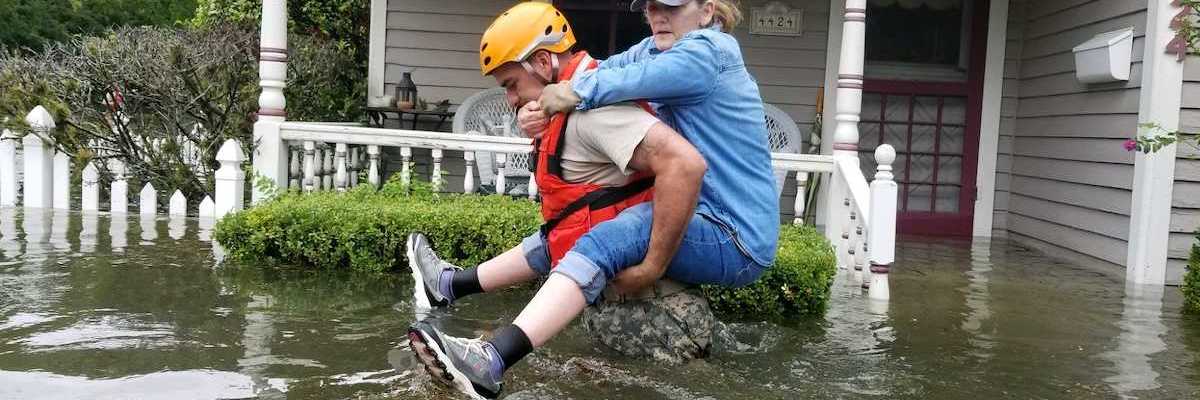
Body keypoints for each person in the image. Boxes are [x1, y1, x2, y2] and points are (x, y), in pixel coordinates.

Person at [406, 2, 778, 399]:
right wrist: (540, 105)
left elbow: (632, 84)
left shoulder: (709, 53)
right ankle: (449, 285)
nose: (658, 17)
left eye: (672, 6)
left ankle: (491, 360)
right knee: (582, 222)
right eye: (652, 7)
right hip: (706, 216)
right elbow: (604, 67)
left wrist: (653, 266)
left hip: (734, 233)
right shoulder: (656, 48)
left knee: (609, 237)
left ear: (707, 12)